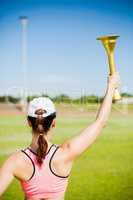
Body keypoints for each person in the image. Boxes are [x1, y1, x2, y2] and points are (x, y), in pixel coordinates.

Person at [0, 72, 120, 200]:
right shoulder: (66, 152)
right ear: (54, 123)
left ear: (29, 122)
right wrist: (111, 86)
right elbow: (101, 122)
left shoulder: (15, 161)